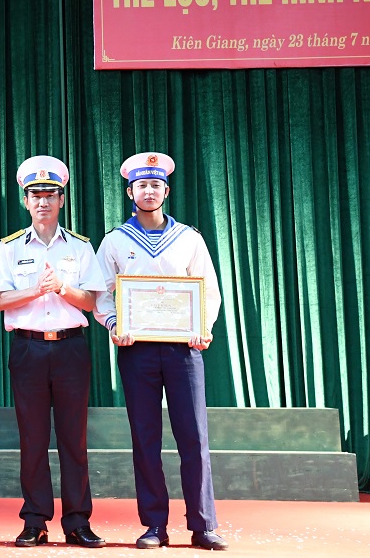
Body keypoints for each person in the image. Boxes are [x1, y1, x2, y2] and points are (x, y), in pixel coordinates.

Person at [94, 152, 228, 551]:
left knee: (194, 437)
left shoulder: (189, 237)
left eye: (155, 184)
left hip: (184, 350)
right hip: (137, 351)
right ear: (130, 192)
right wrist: (114, 324)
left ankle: (203, 525)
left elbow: (208, 290)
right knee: (145, 438)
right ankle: (154, 525)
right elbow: (101, 294)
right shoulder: (115, 240)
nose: (148, 191)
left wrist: (203, 327)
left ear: (166, 191)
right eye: (141, 185)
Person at [0, 156, 106, 549]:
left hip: (71, 348)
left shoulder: (81, 247)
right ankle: (34, 520)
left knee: (74, 439)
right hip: (28, 348)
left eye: (50, 195)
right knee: (33, 438)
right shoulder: (9, 248)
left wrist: (61, 288)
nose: (43, 202)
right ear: (25, 201)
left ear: (61, 200)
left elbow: (91, 301)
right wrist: (36, 290)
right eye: (36, 195)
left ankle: (77, 522)